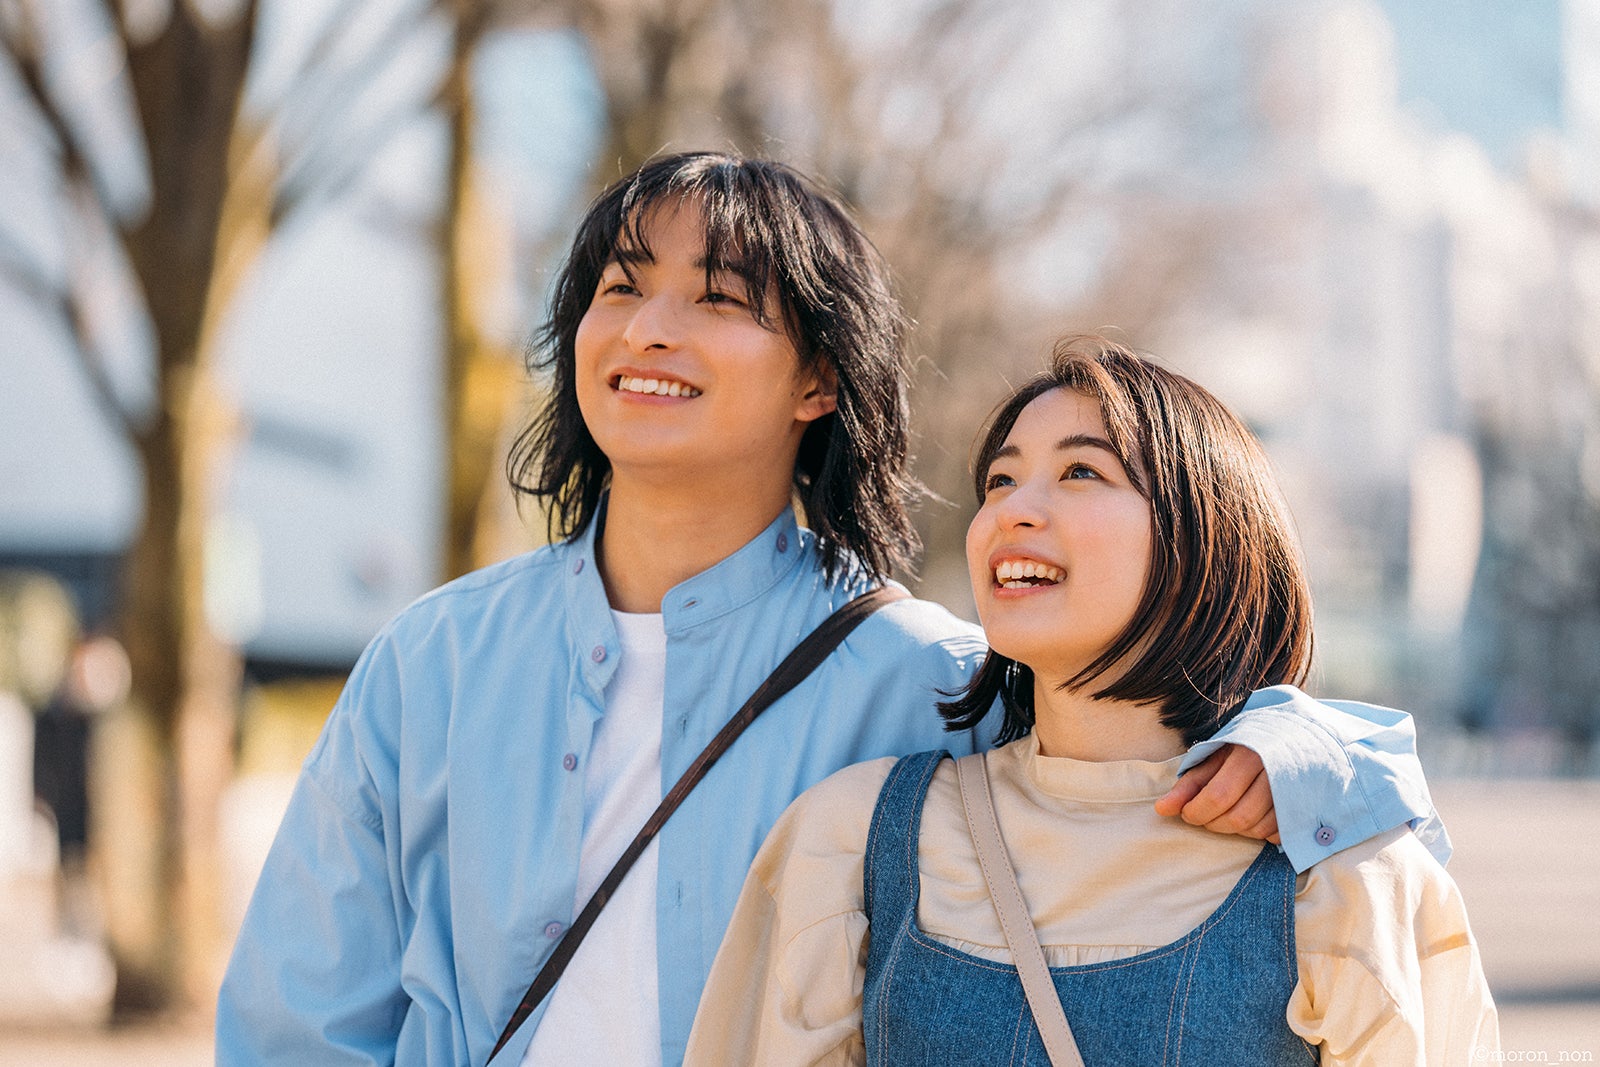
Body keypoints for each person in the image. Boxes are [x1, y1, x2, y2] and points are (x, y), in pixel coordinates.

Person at [216, 156, 1444, 1066]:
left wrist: (1290, 744)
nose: (647, 328)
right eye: (617, 288)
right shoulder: (432, 660)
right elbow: (298, 1024)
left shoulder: (928, 680)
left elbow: (1150, 766)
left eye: (715, 299)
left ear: (820, 377)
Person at [686, 337, 1496, 1065]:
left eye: (1082, 470)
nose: (1013, 508)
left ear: (1205, 536)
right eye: (1000, 479)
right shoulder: (850, 842)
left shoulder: (1347, 881)